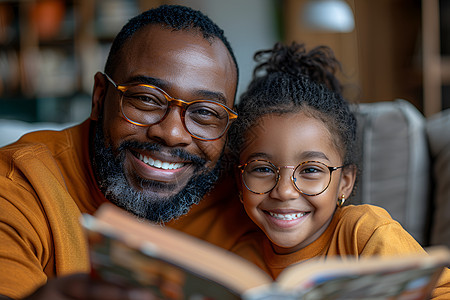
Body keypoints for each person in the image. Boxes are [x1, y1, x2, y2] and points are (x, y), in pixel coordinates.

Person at [0, 4, 256, 299]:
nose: (172, 134)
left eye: (205, 113)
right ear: (99, 97)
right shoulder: (17, 187)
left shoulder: (247, 194)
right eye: (147, 99)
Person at [227, 42, 450, 298]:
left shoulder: (364, 233)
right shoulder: (241, 261)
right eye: (263, 169)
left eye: (311, 170)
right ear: (240, 179)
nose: (285, 191)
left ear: (344, 182)